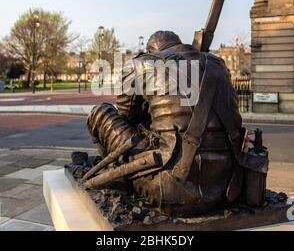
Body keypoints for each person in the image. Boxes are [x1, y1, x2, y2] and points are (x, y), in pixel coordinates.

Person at [86, 31, 245, 217]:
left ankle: (120, 179)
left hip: (167, 188)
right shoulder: (218, 64)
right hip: (227, 187)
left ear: (150, 49)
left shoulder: (139, 64)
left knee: (100, 112)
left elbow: (126, 119)